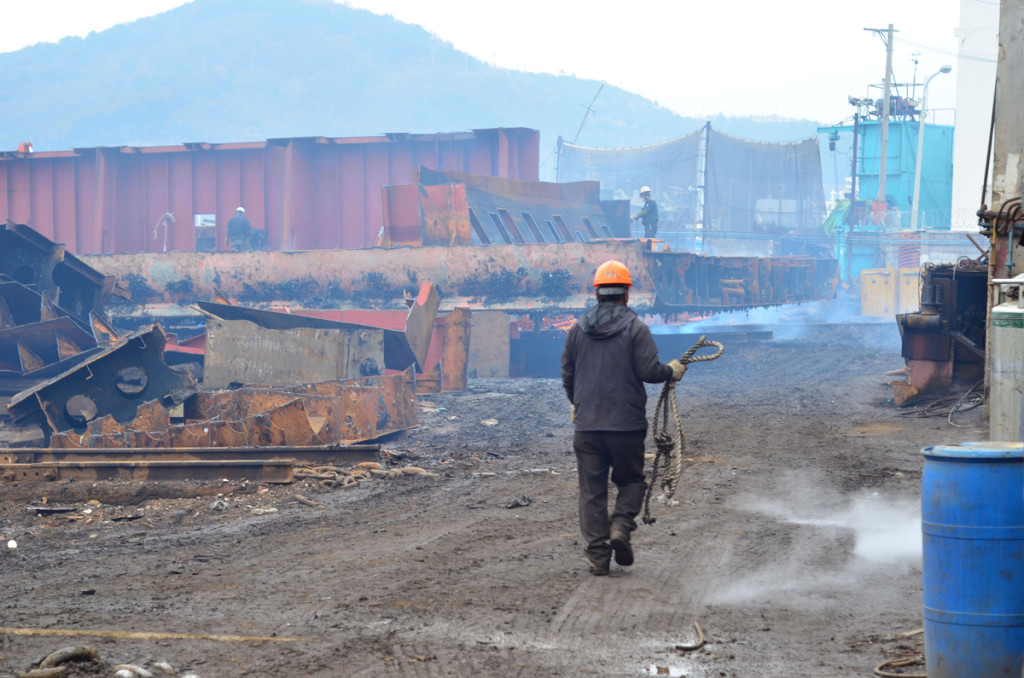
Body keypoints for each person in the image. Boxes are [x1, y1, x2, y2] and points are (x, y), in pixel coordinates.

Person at [561, 260, 685, 575]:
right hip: (626, 426)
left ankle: (598, 559)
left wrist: (579, 402)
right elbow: (648, 371)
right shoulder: (635, 328)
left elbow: (567, 373)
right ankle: (620, 526)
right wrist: (672, 370)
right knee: (631, 481)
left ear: (597, 293)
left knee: (592, 492)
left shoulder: (577, 328)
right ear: (627, 294)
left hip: (588, 426)